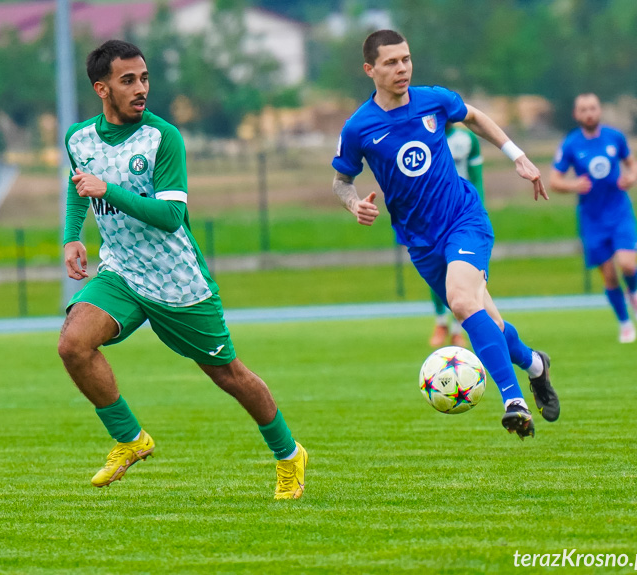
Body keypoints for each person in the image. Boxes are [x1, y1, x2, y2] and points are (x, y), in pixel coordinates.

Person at [57, 40, 307, 499]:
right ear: (102, 88)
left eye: (145, 78)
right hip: (122, 273)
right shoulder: (79, 137)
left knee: (229, 375)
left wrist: (107, 189)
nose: (141, 88)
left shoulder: (163, 138)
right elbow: (80, 185)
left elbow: (170, 215)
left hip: (178, 281)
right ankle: (130, 439)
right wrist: (74, 234)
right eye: (128, 80)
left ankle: (289, 454)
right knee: (73, 344)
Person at [332, 30, 560, 438]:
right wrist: (354, 204)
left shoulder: (433, 99)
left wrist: (517, 156)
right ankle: (536, 366)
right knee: (485, 318)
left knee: (459, 300)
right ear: (370, 69)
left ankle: (513, 401)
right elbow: (342, 180)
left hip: (463, 219)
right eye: (390, 62)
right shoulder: (358, 128)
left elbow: (473, 117)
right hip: (421, 242)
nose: (401, 68)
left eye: (406, 59)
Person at [550, 93, 637, 343]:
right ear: (576, 115)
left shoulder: (615, 137)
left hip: (619, 211)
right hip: (592, 218)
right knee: (609, 275)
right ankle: (625, 323)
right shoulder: (571, 144)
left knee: (627, 264)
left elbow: (632, 165)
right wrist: (573, 185)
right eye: (583, 109)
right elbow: (554, 181)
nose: (589, 113)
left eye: (593, 108)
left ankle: (634, 292)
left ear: (599, 110)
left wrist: (632, 177)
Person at [429, 122, 485, 348]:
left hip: (462, 213)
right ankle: (441, 322)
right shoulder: (423, 137)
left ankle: (457, 328)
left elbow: (476, 177)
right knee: (436, 269)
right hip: (433, 213)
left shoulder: (467, 139)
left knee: (461, 272)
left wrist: (480, 212)